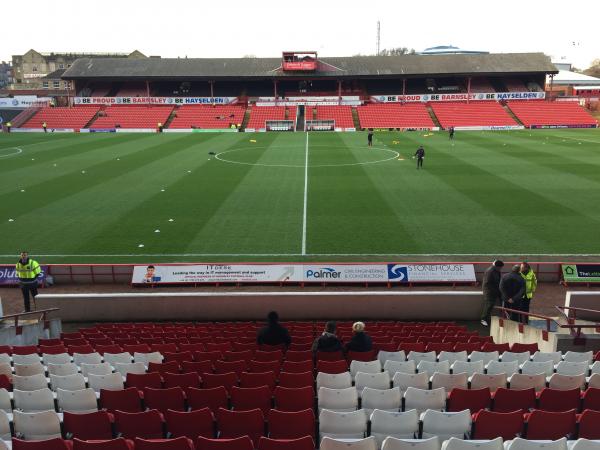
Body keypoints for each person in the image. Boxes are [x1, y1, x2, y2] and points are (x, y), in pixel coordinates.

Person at [480, 259, 504, 326]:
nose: (501, 269)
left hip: (494, 290)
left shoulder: (495, 271)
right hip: (490, 292)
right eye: (500, 267)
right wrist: (495, 290)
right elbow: (487, 283)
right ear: (497, 267)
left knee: (492, 304)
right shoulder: (490, 272)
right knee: (489, 305)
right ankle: (483, 319)